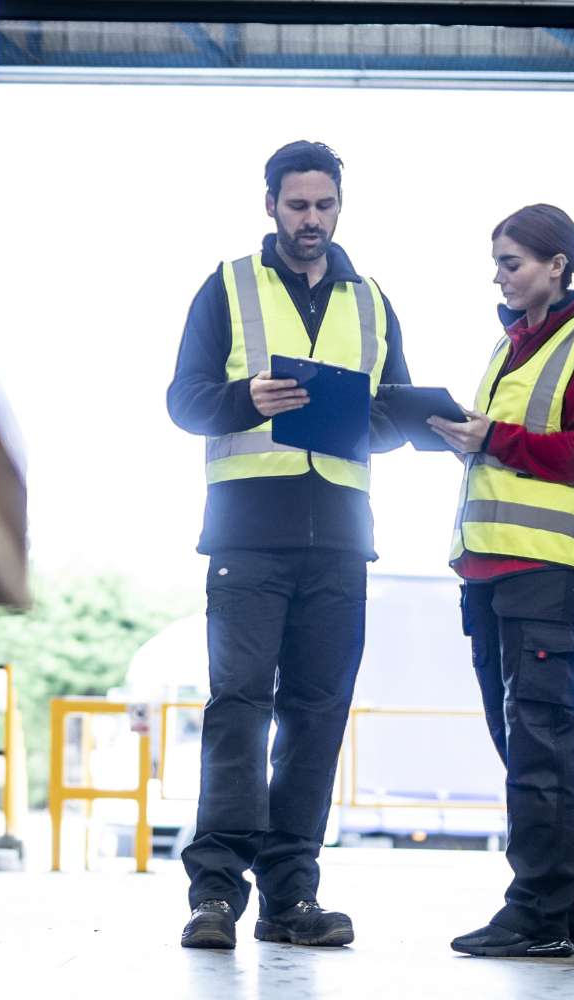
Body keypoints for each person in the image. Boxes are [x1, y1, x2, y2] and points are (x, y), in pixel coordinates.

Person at [165, 140, 412, 950]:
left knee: (316, 716)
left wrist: (371, 421)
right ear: (269, 204)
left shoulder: (372, 301)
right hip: (249, 537)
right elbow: (185, 402)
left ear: (341, 206)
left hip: (342, 540)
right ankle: (213, 894)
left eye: (325, 205)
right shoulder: (228, 286)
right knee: (240, 707)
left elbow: (395, 416)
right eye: (298, 205)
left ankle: (289, 898)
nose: (312, 220)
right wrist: (249, 398)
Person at [425, 204, 574, 959]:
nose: (501, 277)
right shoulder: (510, 346)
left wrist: (496, 439)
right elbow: (519, 451)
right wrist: (469, 445)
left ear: (557, 265)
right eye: (497, 265)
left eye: (512, 262)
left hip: (546, 574)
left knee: (540, 745)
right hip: (491, 572)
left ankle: (538, 913)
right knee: (530, 749)